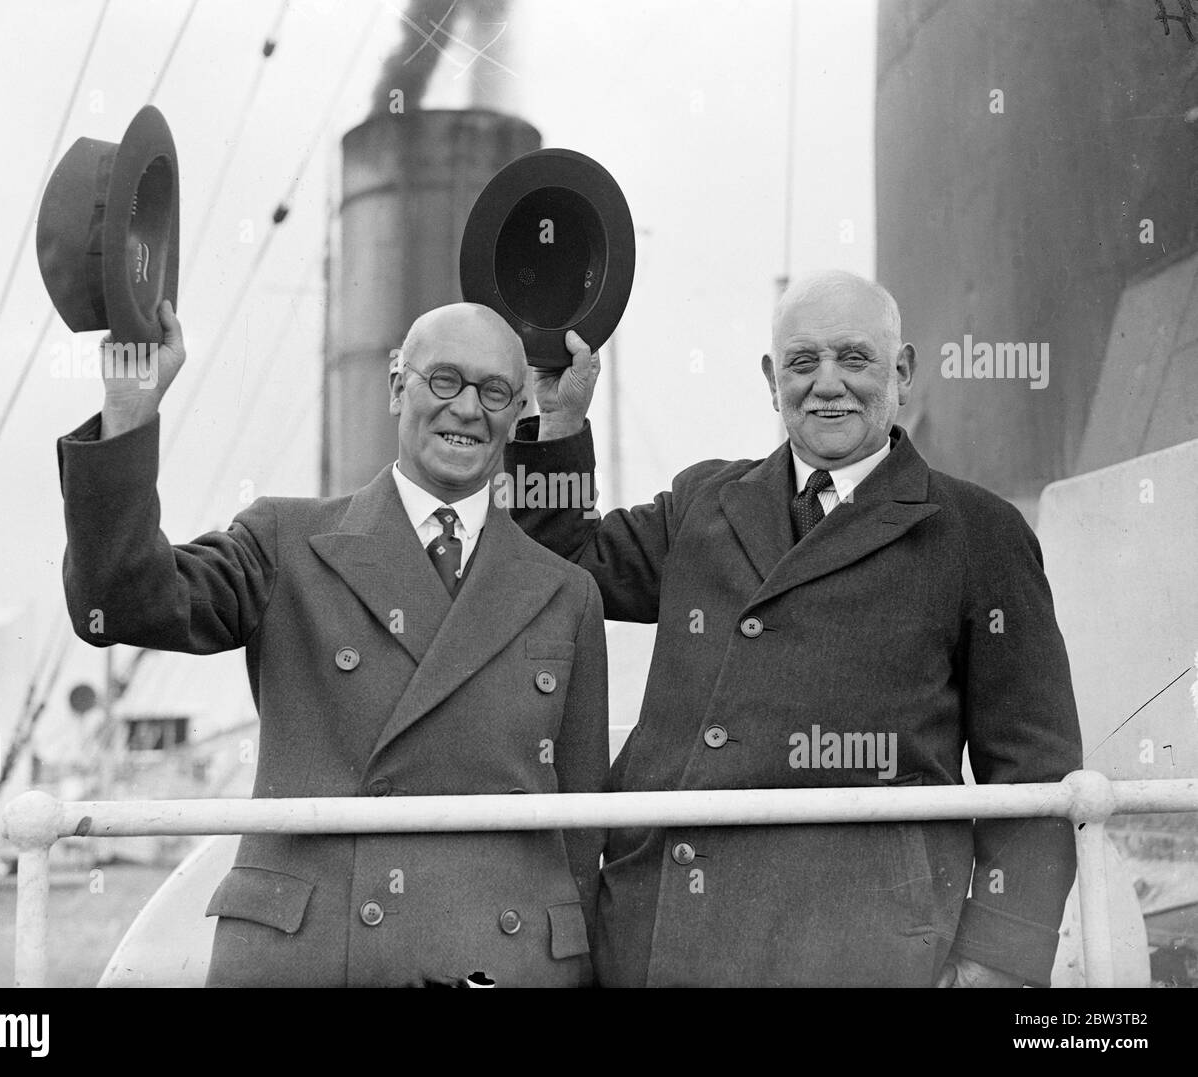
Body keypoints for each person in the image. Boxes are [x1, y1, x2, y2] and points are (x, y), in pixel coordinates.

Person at [505, 269, 1084, 988]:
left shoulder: (977, 531)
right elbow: (554, 565)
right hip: (663, 934)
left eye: (855, 357)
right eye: (804, 363)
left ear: (901, 372)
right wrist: (559, 423)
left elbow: (1036, 772)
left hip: (860, 950)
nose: (828, 384)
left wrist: (997, 962)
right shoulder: (704, 501)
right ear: (771, 380)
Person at [56, 301, 609, 987]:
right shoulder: (287, 542)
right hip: (316, 959)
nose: (469, 409)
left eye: (495, 390)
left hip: (501, 963)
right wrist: (129, 410)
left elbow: (582, 826)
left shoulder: (565, 592)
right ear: (395, 384)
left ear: (518, 405)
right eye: (444, 380)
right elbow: (121, 601)